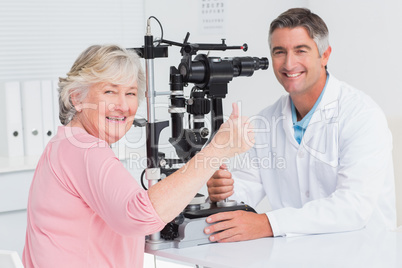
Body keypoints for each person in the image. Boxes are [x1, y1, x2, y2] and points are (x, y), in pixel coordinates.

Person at [22, 44, 254, 267]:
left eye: (130, 93)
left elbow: (122, 215)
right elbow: (140, 215)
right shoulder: (86, 149)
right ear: (77, 98)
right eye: (109, 91)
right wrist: (217, 150)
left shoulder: (65, 143)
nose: (123, 106)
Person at [205, 8, 396, 242]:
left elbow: (353, 207)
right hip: (295, 256)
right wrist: (224, 192)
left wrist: (268, 223)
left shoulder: (361, 115)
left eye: (300, 50)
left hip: (361, 254)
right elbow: (245, 191)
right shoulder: (265, 122)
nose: (288, 63)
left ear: (324, 55)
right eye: (279, 52)